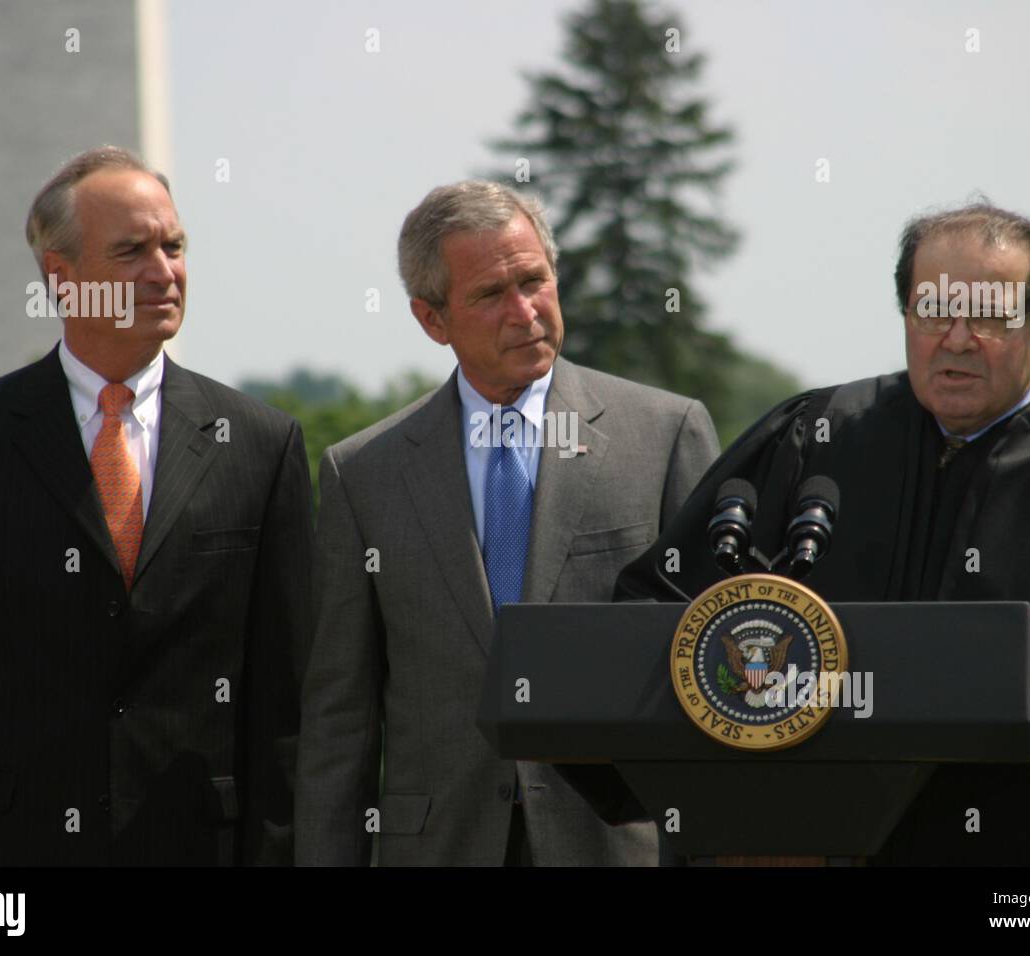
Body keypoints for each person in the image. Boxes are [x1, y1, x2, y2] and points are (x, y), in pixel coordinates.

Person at [616, 202, 1030, 865]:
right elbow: (659, 610)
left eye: (991, 314)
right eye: (934, 309)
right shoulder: (816, 438)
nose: (957, 338)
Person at [0, 146, 313, 865]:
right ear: (63, 276)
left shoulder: (262, 446)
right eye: (131, 251)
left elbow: (286, 704)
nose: (164, 271)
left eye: (173, 246)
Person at [295, 181, 720, 866]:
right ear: (432, 320)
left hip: (617, 844)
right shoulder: (361, 474)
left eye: (535, 281)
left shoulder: (666, 435)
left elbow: (714, 668)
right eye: (492, 294)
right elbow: (339, 717)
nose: (526, 312)